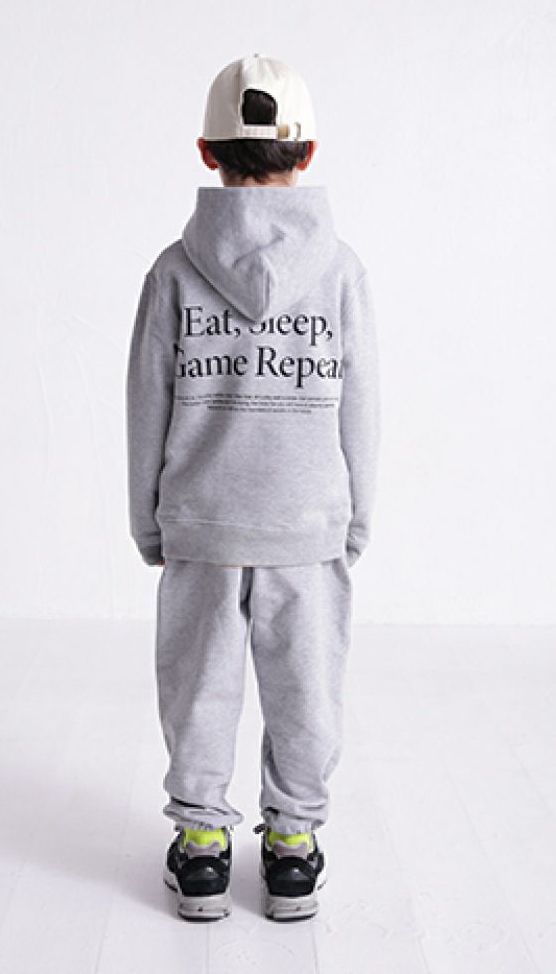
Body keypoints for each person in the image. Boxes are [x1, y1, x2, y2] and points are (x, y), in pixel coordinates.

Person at [125, 53, 381, 922]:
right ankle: (292, 848)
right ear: (306, 153)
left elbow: (146, 405)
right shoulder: (341, 270)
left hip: (201, 523)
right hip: (308, 522)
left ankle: (202, 847)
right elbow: (363, 405)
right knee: (306, 691)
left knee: (198, 686)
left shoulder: (173, 271)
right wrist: (356, 519)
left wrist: (149, 520)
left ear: (207, 151)